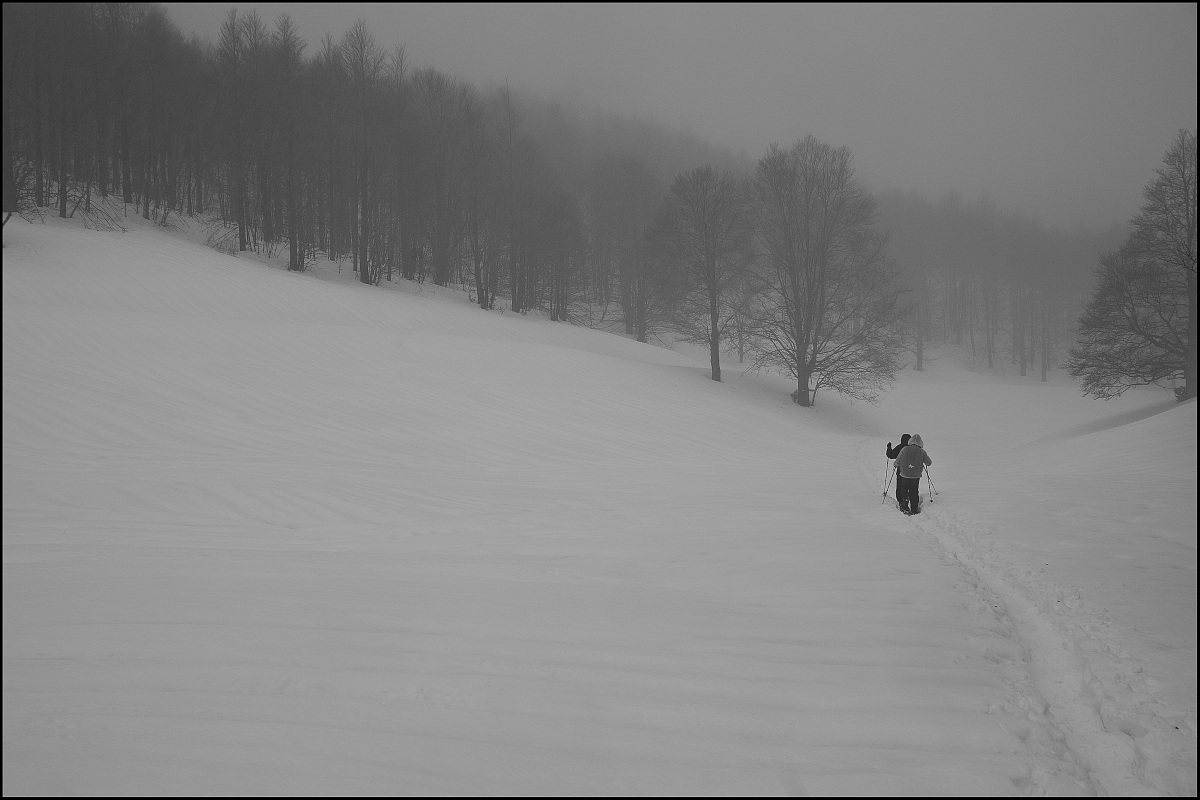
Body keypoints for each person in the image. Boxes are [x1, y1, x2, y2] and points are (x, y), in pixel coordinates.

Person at [895, 434, 932, 515]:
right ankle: (914, 508)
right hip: (916, 476)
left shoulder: (904, 449)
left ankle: (904, 505)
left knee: (904, 489)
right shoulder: (922, 452)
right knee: (914, 491)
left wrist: (896, 464)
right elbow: (929, 463)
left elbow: (897, 460)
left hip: (904, 474)